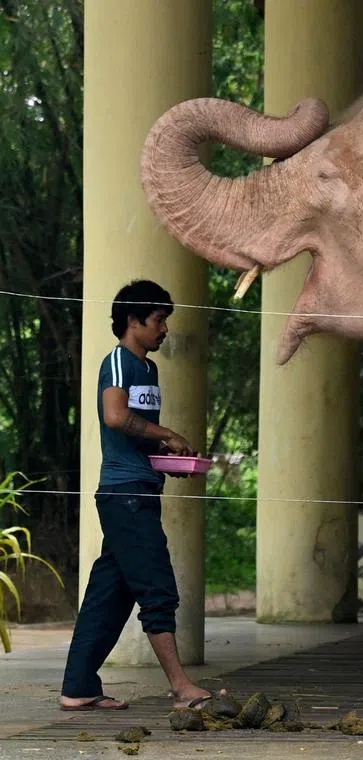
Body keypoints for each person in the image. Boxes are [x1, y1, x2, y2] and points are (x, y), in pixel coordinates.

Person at [60, 280, 221, 712]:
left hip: (142, 487)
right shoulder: (119, 362)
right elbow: (115, 417)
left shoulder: (149, 370)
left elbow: (137, 434)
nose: (164, 329)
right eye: (158, 320)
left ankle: (78, 687)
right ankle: (180, 685)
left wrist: (170, 454)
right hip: (123, 493)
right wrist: (167, 432)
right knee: (157, 587)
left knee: (108, 595)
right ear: (133, 321)